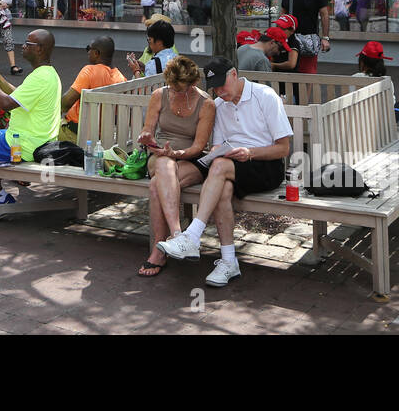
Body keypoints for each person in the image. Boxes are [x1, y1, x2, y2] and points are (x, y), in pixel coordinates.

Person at [156, 58, 293, 287]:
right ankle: (229, 262)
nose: (220, 91)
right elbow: (218, 146)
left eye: (222, 84)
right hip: (230, 165)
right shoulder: (219, 104)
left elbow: (283, 148)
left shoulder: (265, 96)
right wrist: (216, 153)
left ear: (234, 75)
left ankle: (190, 237)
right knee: (215, 184)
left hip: (265, 165)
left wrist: (249, 152)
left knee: (219, 169)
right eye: (215, 87)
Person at [0, 29, 62, 208]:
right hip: (37, 139)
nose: (22, 46)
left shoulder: (40, 78)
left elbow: (6, 104)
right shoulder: (49, 74)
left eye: (27, 44)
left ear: (39, 49)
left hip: (28, 145)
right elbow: (17, 95)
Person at [135, 57, 216, 276]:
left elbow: (199, 147)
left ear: (194, 83)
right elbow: (148, 128)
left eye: (183, 89)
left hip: (190, 159)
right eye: (174, 88)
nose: (178, 93)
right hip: (159, 156)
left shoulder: (206, 103)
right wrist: (146, 137)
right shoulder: (159, 96)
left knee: (155, 186)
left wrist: (177, 153)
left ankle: (159, 252)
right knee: (163, 163)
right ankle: (179, 236)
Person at [56, 37, 127, 144]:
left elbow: (65, 104)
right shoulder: (121, 78)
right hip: (101, 137)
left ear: (96, 53)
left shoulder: (90, 71)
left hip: (75, 134)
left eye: (89, 49)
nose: (88, 52)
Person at [278, 0, 330, 75]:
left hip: (308, 38)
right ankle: (291, 93)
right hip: (290, 38)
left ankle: (305, 94)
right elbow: (283, 13)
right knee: (289, 69)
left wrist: (325, 37)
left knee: (307, 72)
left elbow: (324, 13)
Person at [354, 41, 399, 122]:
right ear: (381, 63)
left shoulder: (354, 78)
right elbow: (391, 103)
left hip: (359, 121)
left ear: (362, 62)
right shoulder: (386, 81)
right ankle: (391, 123)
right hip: (379, 124)